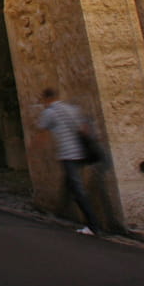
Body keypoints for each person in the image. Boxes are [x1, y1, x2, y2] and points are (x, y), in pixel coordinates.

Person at [36, 87, 104, 235]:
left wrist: (38, 149)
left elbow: (41, 133)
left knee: (77, 189)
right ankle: (58, 212)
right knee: (69, 184)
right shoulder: (71, 108)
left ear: (46, 99)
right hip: (80, 153)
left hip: (68, 154)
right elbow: (85, 128)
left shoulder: (49, 112)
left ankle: (93, 226)